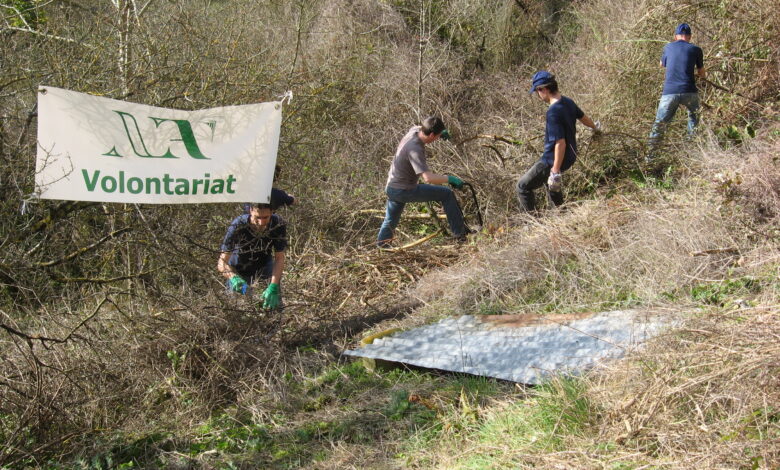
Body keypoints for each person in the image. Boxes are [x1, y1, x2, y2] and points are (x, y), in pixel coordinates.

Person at [376, 116, 467, 247]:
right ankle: (460, 236)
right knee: (446, 194)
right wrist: (450, 179)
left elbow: (422, 126)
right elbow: (428, 178)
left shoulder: (414, 131)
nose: (436, 139)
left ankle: (382, 247)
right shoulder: (415, 149)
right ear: (430, 135)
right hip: (403, 190)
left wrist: (441, 133)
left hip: (391, 187)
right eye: (436, 137)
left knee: (390, 221)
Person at [516, 71, 600, 212]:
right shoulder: (567, 101)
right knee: (550, 185)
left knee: (522, 187)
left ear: (544, 89)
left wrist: (555, 171)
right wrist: (595, 127)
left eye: (537, 91)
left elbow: (560, 143)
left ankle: (531, 222)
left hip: (552, 159)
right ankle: (561, 212)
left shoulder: (553, 112)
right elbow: (583, 117)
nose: (538, 95)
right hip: (570, 156)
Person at [647, 23, 705, 161]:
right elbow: (701, 71)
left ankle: (650, 157)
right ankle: (690, 153)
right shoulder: (696, 49)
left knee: (659, 124)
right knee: (694, 119)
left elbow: (662, 64)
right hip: (689, 91)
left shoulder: (668, 47)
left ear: (675, 36)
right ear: (690, 36)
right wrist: (702, 81)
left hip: (670, 92)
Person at [218, 203, 286, 309]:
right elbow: (222, 262)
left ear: (272, 212)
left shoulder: (277, 224)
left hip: (265, 267)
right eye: (257, 217)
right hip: (239, 271)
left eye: (266, 217)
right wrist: (233, 277)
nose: (261, 222)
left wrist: (273, 286)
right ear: (250, 211)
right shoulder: (238, 225)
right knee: (238, 308)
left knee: (272, 305)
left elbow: (279, 258)